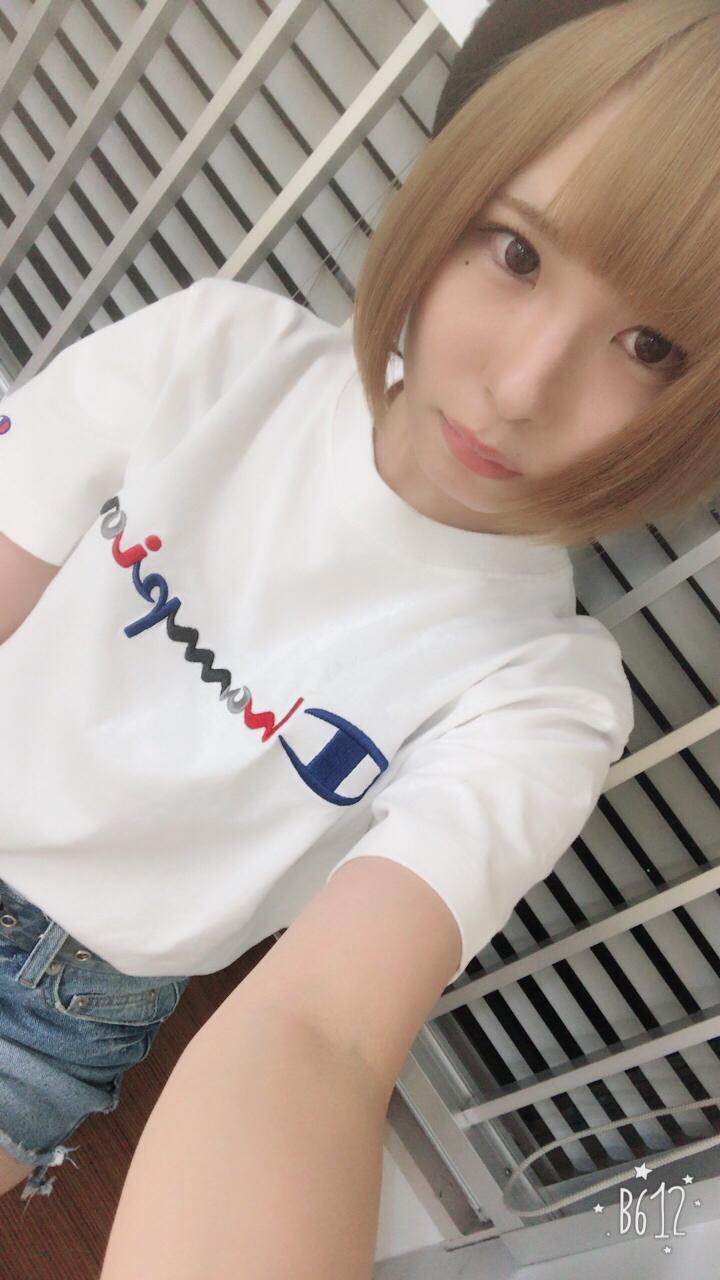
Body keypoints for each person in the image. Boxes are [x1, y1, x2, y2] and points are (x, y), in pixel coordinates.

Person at [0, 0, 716, 1273]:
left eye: (650, 345)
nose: (521, 385)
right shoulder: (214, 354)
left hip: (53, 1004)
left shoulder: (540, 699)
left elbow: (324, 1036)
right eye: (516, 251)